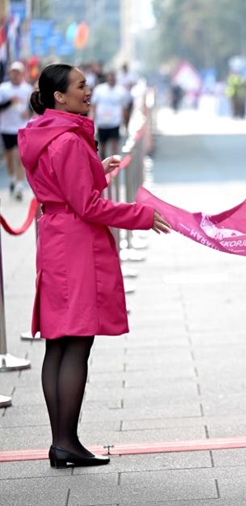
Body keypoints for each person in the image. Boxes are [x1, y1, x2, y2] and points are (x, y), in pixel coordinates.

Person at [18, 64, 171, 468]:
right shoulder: (66, 141)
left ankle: (61, 441)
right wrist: (139, 215)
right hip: (73, 245)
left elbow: (66, 190)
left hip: (56, 237)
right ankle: (66, 441)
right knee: (77, 342)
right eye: (81, 86)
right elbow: (85, 206)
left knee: (58, 342)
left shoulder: (47, 134)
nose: (89, 92)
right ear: (59, 97)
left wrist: (95, 174)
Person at [0, 61, 34, 199]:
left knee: (21, 157)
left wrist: (29, 112)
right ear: (10, 74)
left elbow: (34, 104)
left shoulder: (27, 88)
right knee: (9, 158)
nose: (15, 75)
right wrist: (10, 102)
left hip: (22, 127)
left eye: (18, 72)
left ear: (22, 74)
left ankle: (20, 185)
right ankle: (12, 180)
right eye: (13, 72)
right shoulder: (3, 88)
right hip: (6, 127)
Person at [90, 71, 131, 160]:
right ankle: (103, 165)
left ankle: (114, 167)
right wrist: (91, 120)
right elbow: (94, 105)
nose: (111, 80)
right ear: (107, 78)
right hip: (102, 123)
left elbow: (124, 108)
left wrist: (126, 123)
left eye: (113, 78)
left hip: (115, 123)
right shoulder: (99, 89)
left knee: (114, 146)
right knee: (102, 147)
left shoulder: (121, 91)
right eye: (110, 78)